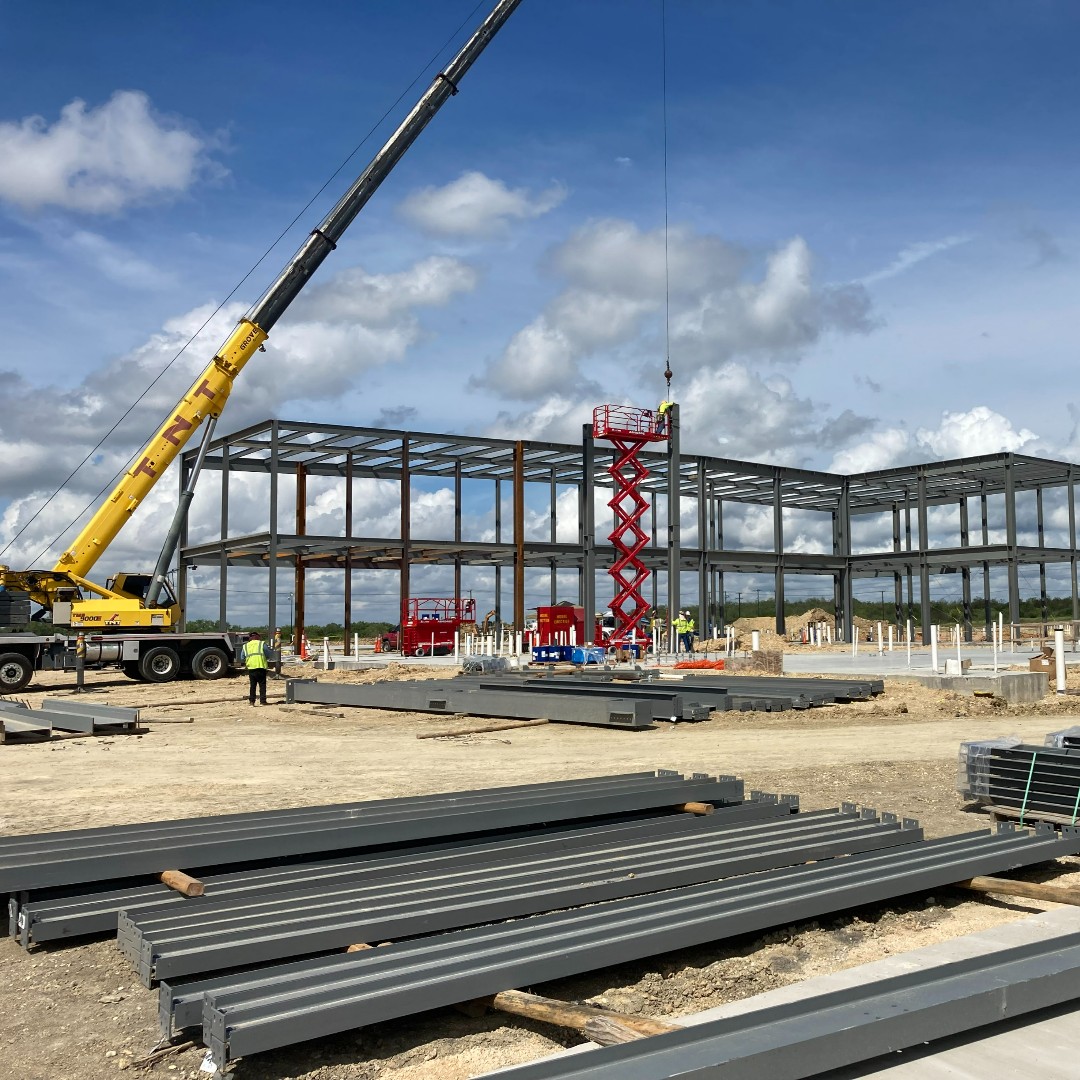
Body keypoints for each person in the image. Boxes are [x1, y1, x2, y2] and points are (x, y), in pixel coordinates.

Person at [242, 630, 269, 706]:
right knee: (262, 685)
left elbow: (242, 656)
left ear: (250, 638)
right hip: (261, 666)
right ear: (258, 637)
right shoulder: (262, 644)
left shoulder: (246, 646)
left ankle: (252, 702)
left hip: (251, 667)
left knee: (253, 686)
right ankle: (262, 701)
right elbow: (268, 653)